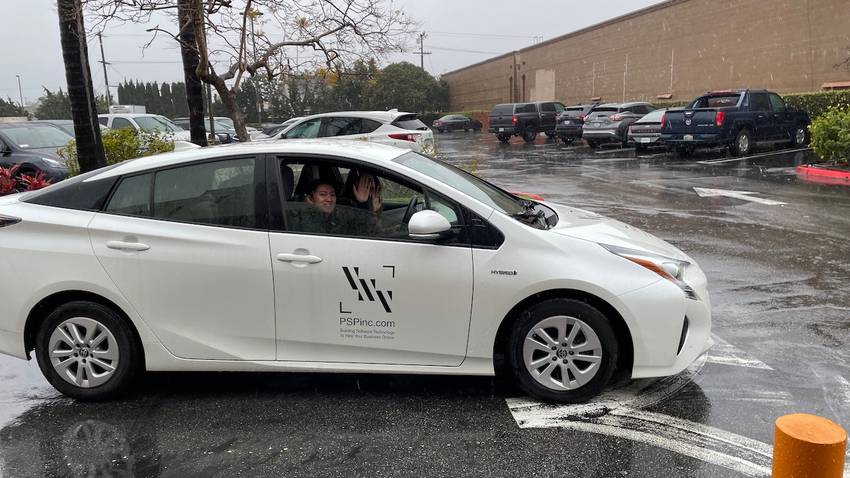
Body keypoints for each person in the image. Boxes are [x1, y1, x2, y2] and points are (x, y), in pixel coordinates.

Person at [298, 179, 376, 235]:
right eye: (323, 194)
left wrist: (363, 203)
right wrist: (313, 208)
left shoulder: (338, 216)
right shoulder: (302, 219)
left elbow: (363, 231)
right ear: (310, 198)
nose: (329, 199)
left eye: (332, 195)